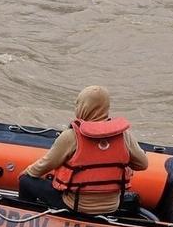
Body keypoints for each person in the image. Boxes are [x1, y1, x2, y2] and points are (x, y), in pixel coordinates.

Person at [18, 85, 149, 215]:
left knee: (25, 180)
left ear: (83, 107)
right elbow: (142, 164)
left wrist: (26, 173)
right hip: (112, 206)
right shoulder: (124, 135)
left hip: (75, 205)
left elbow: (44, 165)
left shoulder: (71, 136)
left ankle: (26, 218)